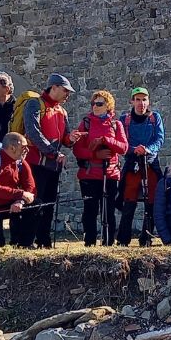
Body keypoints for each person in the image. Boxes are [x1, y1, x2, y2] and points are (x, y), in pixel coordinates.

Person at [11, 73, 76, 249]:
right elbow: (33, 133)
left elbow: (65, 139)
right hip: (35, 164)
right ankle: (25, 242)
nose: (67, 95)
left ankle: (43, 241)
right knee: (34, 202)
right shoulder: (35, 104)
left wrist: (72, 139)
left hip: (52, 165)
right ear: (53, 87)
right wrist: (53, 153)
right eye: (65, 90)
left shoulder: (62, 111)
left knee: (48, 204)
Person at [73, 90, 128, 246]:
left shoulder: (116, 125)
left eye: (99, 104)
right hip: (89, 174)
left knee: (108, 210)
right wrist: (96, 155)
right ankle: (89, 242)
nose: (95, 107)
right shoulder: (86, 123)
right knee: (90, 210)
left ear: (108, 106)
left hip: (110, 174)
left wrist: (105, 140)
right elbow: (78, 150)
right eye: (93, 103)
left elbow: (123, 148)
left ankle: (108, 242)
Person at [116, 87, 164, 247]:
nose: (141, 103)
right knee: (128, 202)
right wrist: (134, 150)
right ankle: (123, 239)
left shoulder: (155, 118)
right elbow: (121, 141)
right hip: (132, 164)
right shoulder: (125, 120)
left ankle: (147, 238)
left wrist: (147, 149)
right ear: (131, 101)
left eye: (144, 99)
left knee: (152, 201)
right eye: (137, 99)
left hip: (151, 163)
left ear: (148, 101)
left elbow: (159, 138)